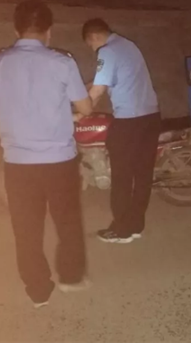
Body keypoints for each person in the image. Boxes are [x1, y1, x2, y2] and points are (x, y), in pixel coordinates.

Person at [0, 0, 93, 309]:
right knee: (67, 221)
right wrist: (70, 116)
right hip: (59, 161)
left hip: (18, 163)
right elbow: (85, 107)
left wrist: (10, 130)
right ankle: (70, 277)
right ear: (49, 32)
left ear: (16, 30)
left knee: (26, 228)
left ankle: (38, 290)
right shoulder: (62, 62)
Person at [80, 18, 160, 244]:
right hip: (150, 118)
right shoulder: (127, 45)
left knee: (122, 177)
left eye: (90, 45)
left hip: (129, 121)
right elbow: (102, 80)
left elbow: (98, 91)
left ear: (93, 37)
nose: (93, 50)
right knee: (142, 175)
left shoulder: (106, 51)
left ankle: (121, 229)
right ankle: (135, 225)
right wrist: (80, 89)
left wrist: (81, 111)